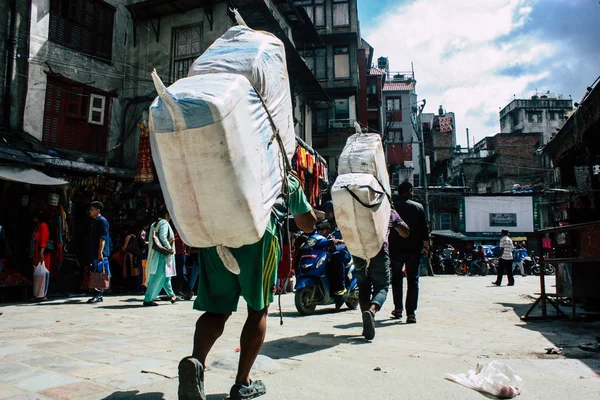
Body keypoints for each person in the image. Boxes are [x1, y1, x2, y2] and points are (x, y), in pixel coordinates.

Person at [178, 175, 315, 400]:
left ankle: (196, 363)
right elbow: (307, 224)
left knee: (216, 310)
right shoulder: (280, 173)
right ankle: (242, 382)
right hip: (259, 237)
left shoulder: (221, 164)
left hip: (216, 237)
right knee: (257, 308)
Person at [357, 208, 409, 340]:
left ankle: (366, 323)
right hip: (379, 251)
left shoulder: (356, 209)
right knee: (382, 286)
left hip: (357, 251)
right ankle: (372, 311)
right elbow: (405, 232)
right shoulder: (386, 210)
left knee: (363, 286)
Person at [389, 181, 430, 323]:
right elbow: (424, 230)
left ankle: (398, 309)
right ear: (410, 191)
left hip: (395, 249)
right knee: (413, 280)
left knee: (396, 278)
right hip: (414, 249)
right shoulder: (418, 207)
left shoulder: (391, 207)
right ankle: (411, 314)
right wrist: (426, 246)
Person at [143, 206, 177, 307]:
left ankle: (172, 295)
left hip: (157, 254)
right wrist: (169, 248)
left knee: (165, 276)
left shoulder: (155, 224)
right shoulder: (164, 223)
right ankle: (148, 299)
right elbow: (162, 236)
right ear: (166, 214)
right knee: (158, 277)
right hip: (162, 255)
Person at [86, 201, 111, 304]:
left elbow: (103, 238)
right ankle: (98, 294)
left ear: (98, 210)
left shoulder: (102, 221)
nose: (90, 211)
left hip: (100, 251)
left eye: (92, 209)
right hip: (95, 251)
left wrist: (100, 252)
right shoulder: (94, 221)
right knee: (96, 271)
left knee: (100, 273)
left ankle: (98, 294)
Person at [322, 201, 348, 295]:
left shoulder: (342, 224)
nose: (327, 214)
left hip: (342, 250)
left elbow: (350, 237)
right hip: (327, 251)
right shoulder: (324, 224)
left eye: (329, 211)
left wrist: (339, 240)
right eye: (325, 212)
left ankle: (341, 287)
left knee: (337, 257)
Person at [173, 226, 194, 300]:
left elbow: (187, 241)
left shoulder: (182, 229)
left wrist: (186, 250)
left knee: (180, 273)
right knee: (178, 274)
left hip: (181, 253)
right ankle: (185, 291)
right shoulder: (176, 229)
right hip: (176, 253)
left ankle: (188, 291)